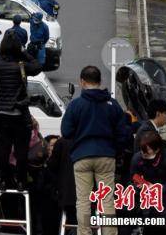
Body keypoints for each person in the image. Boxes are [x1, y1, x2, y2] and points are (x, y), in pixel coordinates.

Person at [61, 66, 128, 235]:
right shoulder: (112, 104)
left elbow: (66, 131)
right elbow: (123, 133)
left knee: (83, 200)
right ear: (100, 82)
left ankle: (84, 232)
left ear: (82, 82)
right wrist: (116, 151)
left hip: (82, 157)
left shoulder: (76, 105)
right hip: (106, 156)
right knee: (107, 200)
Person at [0, 31, 42, 190]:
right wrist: (23, 51)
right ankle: (21, 181)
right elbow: (38, 66)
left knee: (3, 151)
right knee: (21, 152)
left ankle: (3, 181)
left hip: (2, 114)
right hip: (19, 115)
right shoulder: (21, 66)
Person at [130, 131, 166, 235]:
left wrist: (159, 188)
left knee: (165, 221)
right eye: (142, 151)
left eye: (147, 152)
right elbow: (132, 180)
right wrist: (138, 187)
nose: (144, 155)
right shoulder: (137, 158)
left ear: (157, 150)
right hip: (148, 198)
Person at [46, 137, 77, 235]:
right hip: (89, 195)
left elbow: (52, 165)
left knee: (69, 220)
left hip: (68, 194)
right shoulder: (87, 140)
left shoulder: (62, 142)